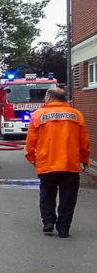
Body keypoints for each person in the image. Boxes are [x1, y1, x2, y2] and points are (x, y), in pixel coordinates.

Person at [25, 87, 90, 238]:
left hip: (47, 163)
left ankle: (48, 222)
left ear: (49, 97)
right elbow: (84, 141)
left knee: (47, 193)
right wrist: (85, 159)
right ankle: (64, 228)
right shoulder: (76, 115)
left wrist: (31, 157)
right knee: (68, 198)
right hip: (70, 164)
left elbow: (31, 140)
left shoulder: (39, 115)